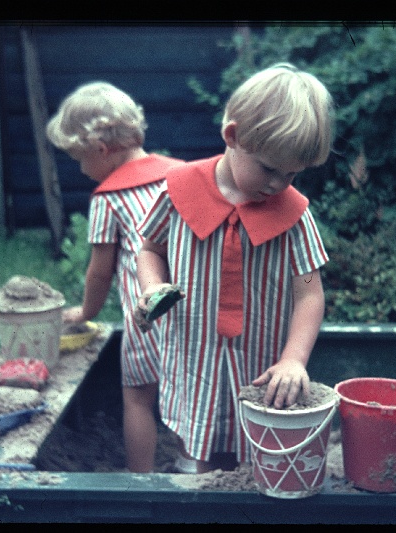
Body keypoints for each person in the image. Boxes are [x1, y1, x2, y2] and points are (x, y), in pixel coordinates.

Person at [133, 63, 334, 473]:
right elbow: (150, 248)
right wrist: (152, 287)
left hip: (260, 364)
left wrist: (294, 359)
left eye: (292, 173)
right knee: (197, 448)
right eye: (269, 168)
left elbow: (310, 290)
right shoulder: (178, 191)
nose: (280, 183)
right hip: (195, 358)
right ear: (233, 137)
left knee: (260, 457)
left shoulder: (295, 216)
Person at [46, 81, 186, 473]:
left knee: (139, 399)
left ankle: (141, 478)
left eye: (78, 158)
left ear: (101, 150)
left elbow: (100, 271)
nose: (80, 168)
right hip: (193, 315)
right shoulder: (184, 176)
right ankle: (195, 469)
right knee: (189, 396)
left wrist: (86, 311)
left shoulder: (107, 198)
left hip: (146, 320)